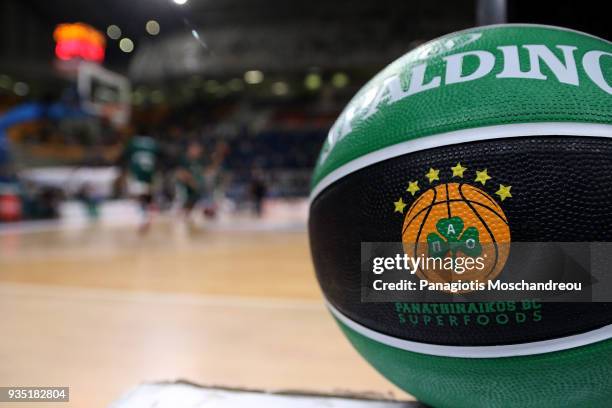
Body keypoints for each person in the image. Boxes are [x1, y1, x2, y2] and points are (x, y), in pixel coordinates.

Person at [117, 127, 162, 233]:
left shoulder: (133, 143)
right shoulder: (153, 143)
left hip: (137, 174)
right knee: (147, 197)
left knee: (138, 198)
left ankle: (144, 218)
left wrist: (122, 168)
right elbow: (160, 157)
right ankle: (147, 215)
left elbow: (124, 156)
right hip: (150, 174)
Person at [176, 140, 228, 225]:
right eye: (196, 149)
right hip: (186, 188)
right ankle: (180, 220)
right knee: (185, 206)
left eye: (199, 149)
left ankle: (205, 215)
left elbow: (208, 170)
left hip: (197, 189)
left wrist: (219, 157)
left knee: (203, 205)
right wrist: (190, 181)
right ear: (190, 149)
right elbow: (180, 174)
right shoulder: (184, 160)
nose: (198, 151)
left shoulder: (200, 161)